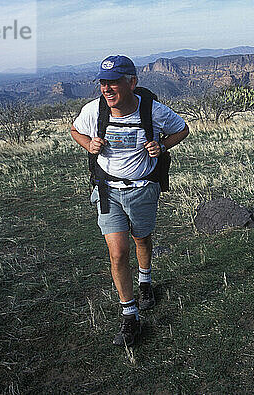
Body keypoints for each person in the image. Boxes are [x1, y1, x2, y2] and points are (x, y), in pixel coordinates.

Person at [70, 55, 189, 346]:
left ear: (131, 82)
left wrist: (161, 145)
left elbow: (182, 129)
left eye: (113, 82)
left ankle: (145, 281)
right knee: (118, 252)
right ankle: (130, 315)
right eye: (102, 83)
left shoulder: (151, 110)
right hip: (107, 191)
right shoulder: (94, 110)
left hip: (142, 189)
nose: (106, 89)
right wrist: (89, 144)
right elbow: (75, 130)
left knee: (142, 240)